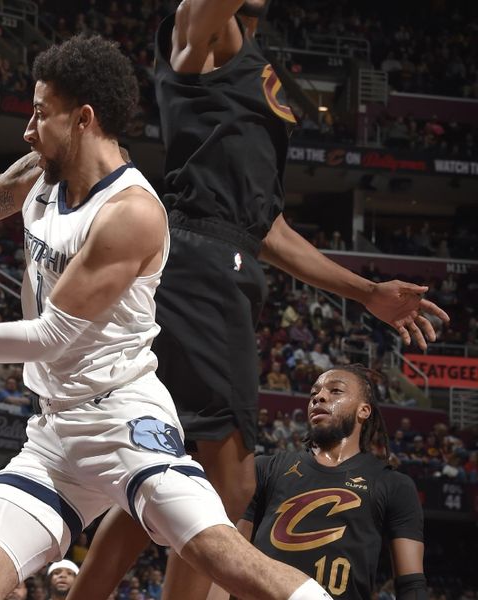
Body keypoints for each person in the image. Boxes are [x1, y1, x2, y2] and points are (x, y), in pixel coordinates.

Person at [0, 35, 332, 600]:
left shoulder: (130, 213)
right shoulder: (43, 176)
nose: (27, 129)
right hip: (53, 434)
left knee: (231, 562)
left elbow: (52, 336)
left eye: (40, 113)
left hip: (124, 423)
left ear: (83, 118)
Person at [66, 1, 450, 598]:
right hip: (203, 266)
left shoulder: (251, 59)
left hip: (223, 258)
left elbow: (268, 229)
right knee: (232, 481)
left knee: (165, 473)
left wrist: (368, 292)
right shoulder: (203, 31)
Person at [211, 365, 426, 600]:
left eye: (336, 391)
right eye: (314, 394)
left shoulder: (393, 484)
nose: (319, 397)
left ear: (364, 411)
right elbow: (229, 562)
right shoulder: (266, 468)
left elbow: (410, 585)